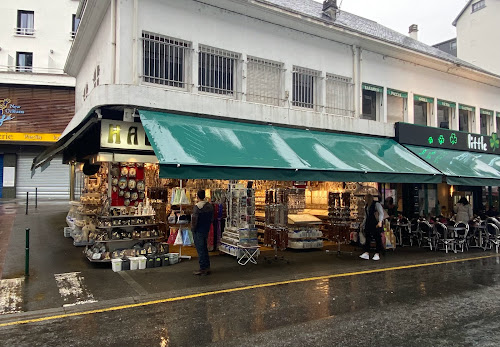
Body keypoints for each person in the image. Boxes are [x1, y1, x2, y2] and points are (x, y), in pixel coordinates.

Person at [191, 189, 214, 275]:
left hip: (198, 230)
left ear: (197, 196)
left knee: (200, 248)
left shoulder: (197, 207)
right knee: (204, 247)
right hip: (206, 228)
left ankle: (203, 268)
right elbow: (212, 219)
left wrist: (193, 228)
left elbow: (194, 220)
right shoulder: (210, 206)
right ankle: (207, 266)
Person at [359, 193, 385, 261]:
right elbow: (366, 216)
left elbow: (381, 213)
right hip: (369, 223)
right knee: (368, 237)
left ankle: (377, 253)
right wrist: (363, 224)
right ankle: (366, 252)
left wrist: (380, 221)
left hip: (375, 223)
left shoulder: (376, 204)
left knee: (377, 238)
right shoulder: (367, 206)